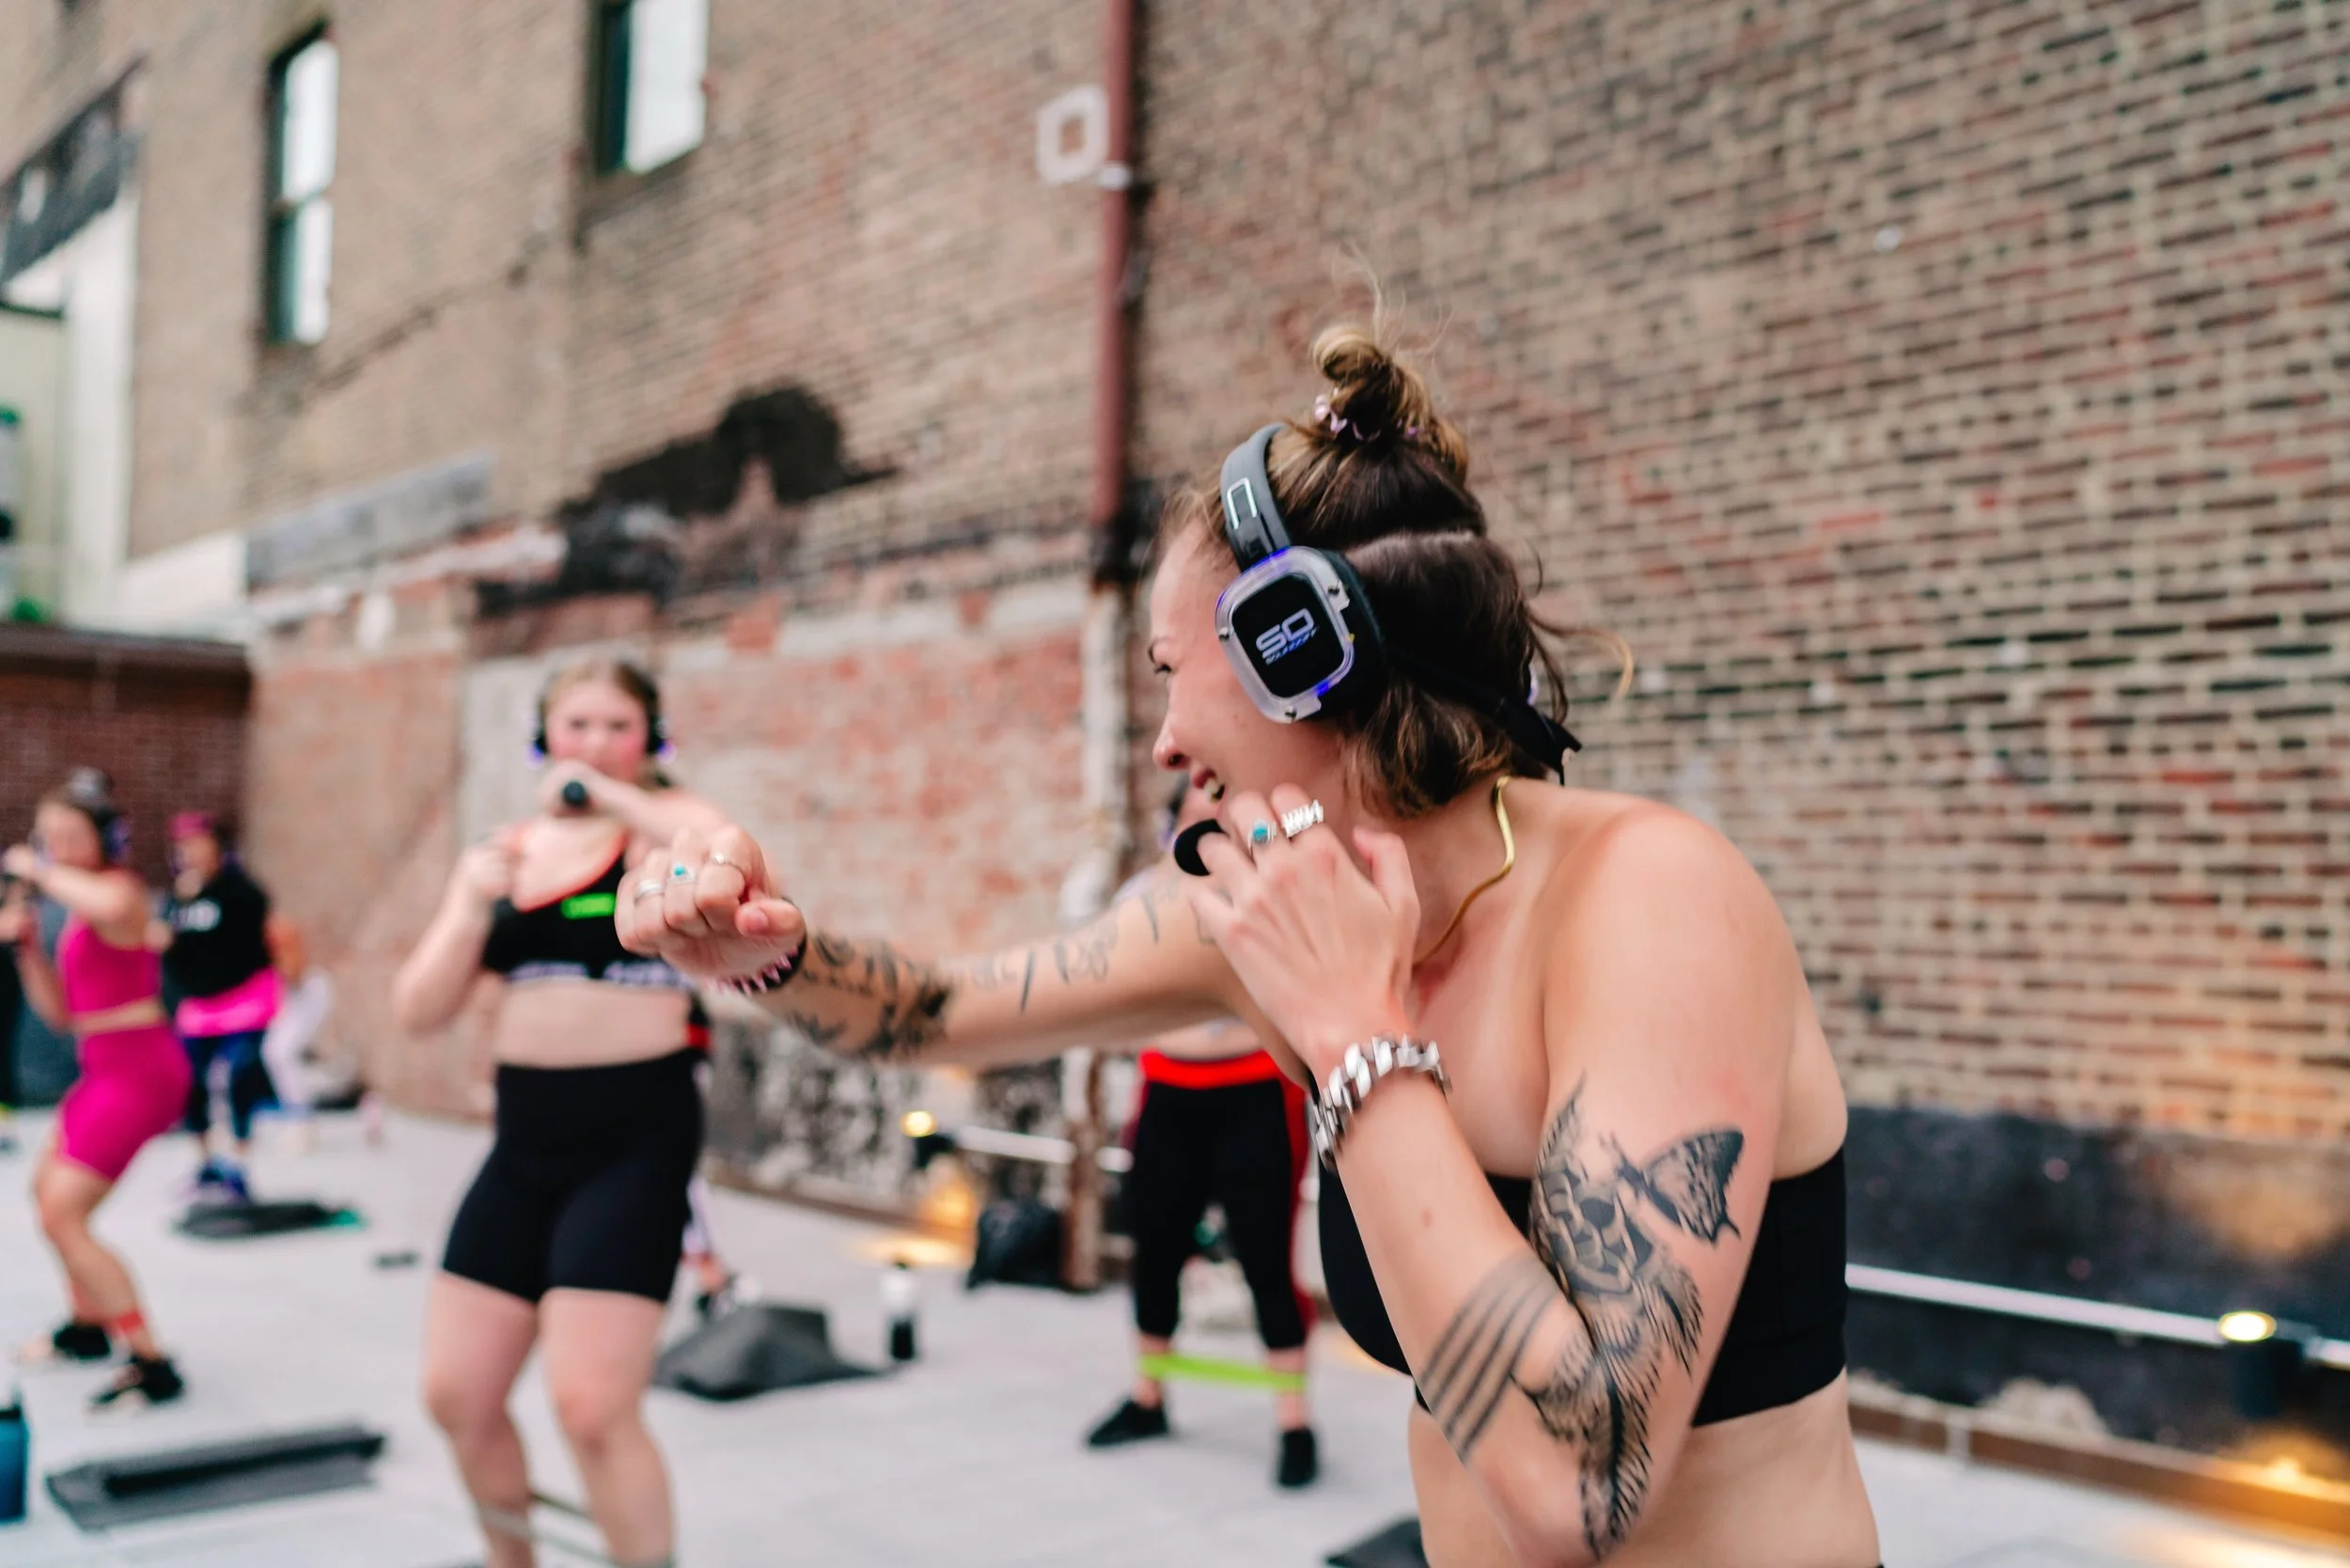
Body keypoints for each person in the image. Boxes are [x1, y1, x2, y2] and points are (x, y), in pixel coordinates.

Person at [619, 325, 1879, 1567]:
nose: (1167, 742)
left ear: (1306, 657)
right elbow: (939, 1010)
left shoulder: (1648, 901)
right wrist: (765, 955)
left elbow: (1579, 1491)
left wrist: (1356, 1038)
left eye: (1176, 669)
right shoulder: (1268, 901)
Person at [393, 657, 730, 1568]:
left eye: (615, 725)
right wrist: (468, 903)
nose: (591, 744)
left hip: (635, 1141)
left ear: (651, 739)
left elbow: (716, 837)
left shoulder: (666, 837)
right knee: (457, 1395)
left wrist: (614, 797)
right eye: (573, 725)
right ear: (542, 738)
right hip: (524, 1144)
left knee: (591, 1407)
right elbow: (417, 1010)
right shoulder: (504, 855)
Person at [1085, 778, 1318, 1488]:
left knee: (1266, 1262)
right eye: (1193, 814)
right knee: (1153, 1253)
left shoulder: (1269, 894)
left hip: (1253, 1091)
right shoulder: (1140, 899)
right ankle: (1147, 1397)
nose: (1206, 823)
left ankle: (1294, 1423)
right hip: (1167, 1094)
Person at [3, 772, 194, 1410]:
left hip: (140, 1071)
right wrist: (29, 951)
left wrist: (36, 867)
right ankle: (87, 1328)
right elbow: (60, 1015)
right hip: (100, 1067)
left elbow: (114, 909)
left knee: (65, 1213)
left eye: (66, 835)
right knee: (44, 1195)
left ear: (102, 840)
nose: (54, 845)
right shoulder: (76, 912)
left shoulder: (120, 893)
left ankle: (151, 1362)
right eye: (46, 835)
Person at [153, 812, 287, 1201]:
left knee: (236, 1077)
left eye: (197, 842)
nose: (189, 851)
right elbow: (170, 950)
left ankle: (240, 1167)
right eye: (182, 845)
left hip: (245, 1001)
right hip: (201, 1007)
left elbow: (254, 930)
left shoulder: (239, 889)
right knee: (190, 1082)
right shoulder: (175, 898)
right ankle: (206, 1164)